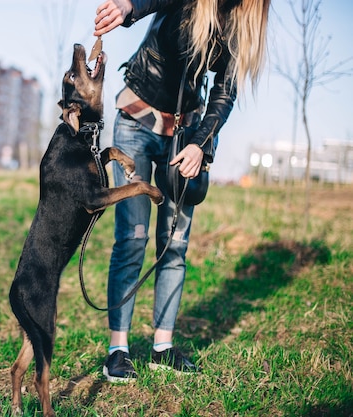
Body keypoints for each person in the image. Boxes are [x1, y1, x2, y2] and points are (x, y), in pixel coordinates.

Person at [93, 0, 271, 382]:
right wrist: (128, 7)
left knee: (174, 245)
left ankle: (162, 347)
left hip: (185, 138)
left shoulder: (243, 23)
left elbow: (224, 94)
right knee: (133, 238)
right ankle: (118, 350)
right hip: (137, 123)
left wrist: (201, 143)